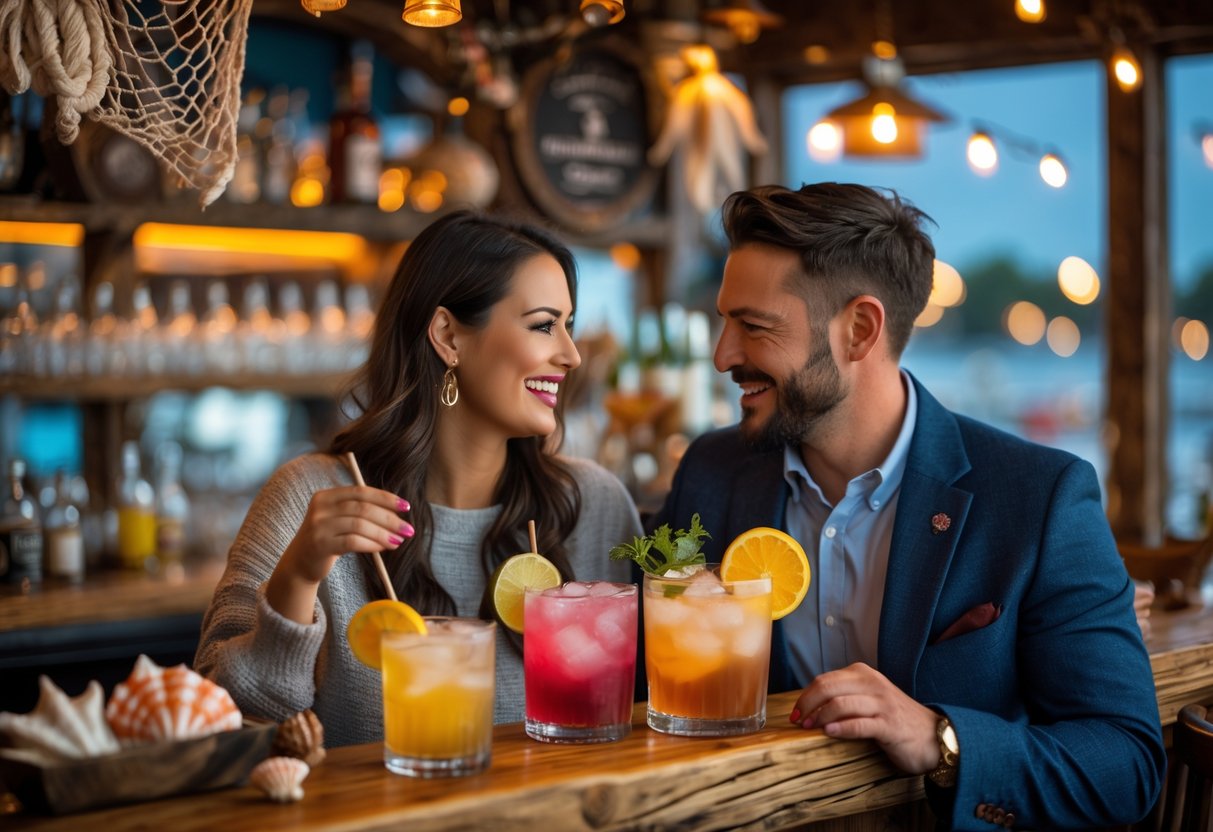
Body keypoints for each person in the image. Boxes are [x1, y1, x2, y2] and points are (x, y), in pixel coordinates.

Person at [648, 183, 1165, 829]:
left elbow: (1123, 763)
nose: (722, 354)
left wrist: (942, 740)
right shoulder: (711, 472)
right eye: (724, 321)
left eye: (752, 326)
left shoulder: (1040, 496)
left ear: (859, 330)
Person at [196, 210, 640, 746]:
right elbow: (224, 719)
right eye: (544, 325)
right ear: (448, 335)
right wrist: (298, 575)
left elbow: (638, 719)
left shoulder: (595, 505)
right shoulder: (309, 497)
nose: (571, 355)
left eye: (569, 325)